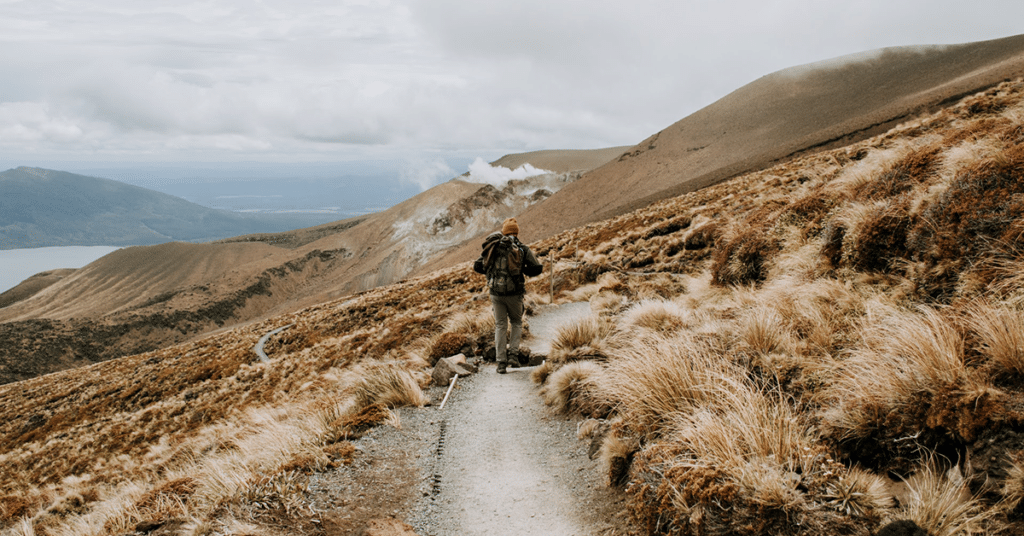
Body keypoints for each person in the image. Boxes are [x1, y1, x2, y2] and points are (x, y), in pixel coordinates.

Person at [473, 217, 543, 374]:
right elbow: (537, 269)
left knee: (500, 325)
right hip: (515, 294)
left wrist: (492, 272)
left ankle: (501, 363)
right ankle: (513, 356)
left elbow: (477, 266)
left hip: (496, 294)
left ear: (504, 232)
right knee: (517, 322)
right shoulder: (522, 248)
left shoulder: (493, 246)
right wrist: (521, 269)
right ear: (516, 232)